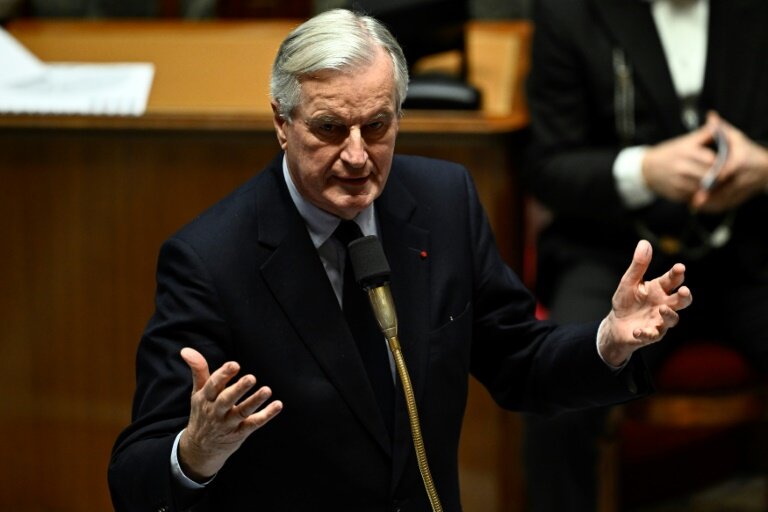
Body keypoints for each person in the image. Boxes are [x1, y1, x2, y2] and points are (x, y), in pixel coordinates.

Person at [107, 8, 692, 511]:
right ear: (282, 124)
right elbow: (134, 476)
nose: (358, 156)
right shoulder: (209, 259)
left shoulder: (444, 203)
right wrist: (195, 453)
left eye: (378, 125)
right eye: (330, 128)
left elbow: (518, 359)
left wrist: (608, 341)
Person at [522, 0, 768, 510]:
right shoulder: (569, 13)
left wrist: (763, 166)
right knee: (562, 383)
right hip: (614, 256)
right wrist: (643, 171)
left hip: (751, 248)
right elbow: (548, 168)